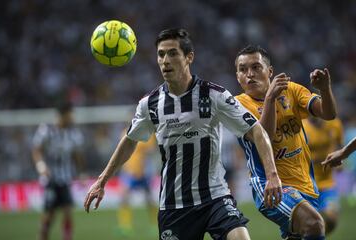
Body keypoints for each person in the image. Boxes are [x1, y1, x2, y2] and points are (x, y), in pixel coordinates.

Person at [84, 28, 282, 240]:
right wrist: (102, 180)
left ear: (189, 57)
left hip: (215, 197)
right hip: (174, 205)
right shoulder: (149, 104)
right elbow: (130, 141)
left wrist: (272, 175)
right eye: (161, 54)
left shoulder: (214, 95)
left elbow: (256, 130)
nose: (165, 60)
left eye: (173, 53)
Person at [234, 45, 337, 240]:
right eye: (243, 69)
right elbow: (264, 135)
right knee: (314, 224)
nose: (249, 74)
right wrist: (271, 98)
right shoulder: (237, 104)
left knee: (299, 235)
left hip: (307, 185)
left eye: (256, 67)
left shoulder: (291, 90)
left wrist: (324, 88)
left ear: (269, 71)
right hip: (271, 186)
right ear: (237, 76)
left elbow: (329, 114)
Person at [32, 101, 84, 240]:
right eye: (70, 114)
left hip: (65, 179)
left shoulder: (73, 132)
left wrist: (81, 173)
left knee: (68, 212)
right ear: (63, 115)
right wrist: (41, 166)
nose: (72, 118)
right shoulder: (47, 130)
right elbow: (36, 149)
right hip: (50, 179)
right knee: (49, 215)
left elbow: (77, 155)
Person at [303, 117, 343, 235]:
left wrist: (340, 159)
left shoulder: (335, 124)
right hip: (307, 185)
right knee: (306, 226)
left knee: (332, 219)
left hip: (327, 183)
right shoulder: (301, 127)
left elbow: (340, 145)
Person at [116, 130, 158, 236]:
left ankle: (155, 224)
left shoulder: (148, 133)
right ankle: (125, 226)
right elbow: (122, 149)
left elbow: (152, 149)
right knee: (124, 198)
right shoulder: (126, 131)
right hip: (129, 170)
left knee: (149, 199)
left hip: (144, 171)